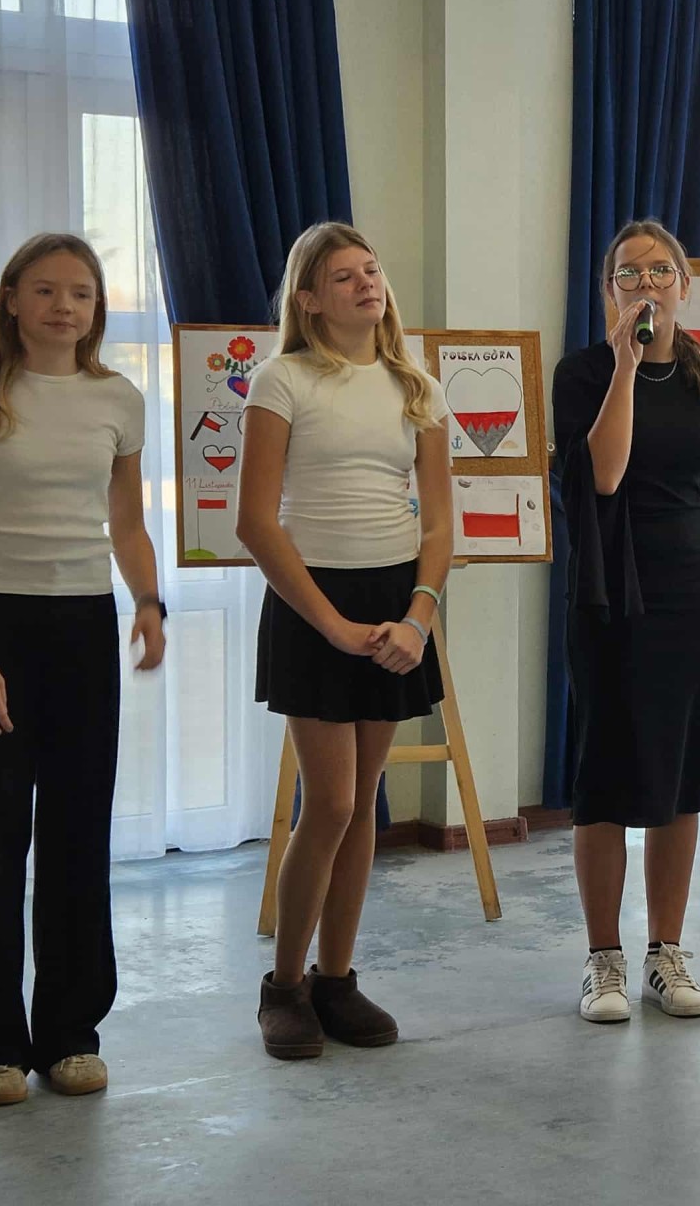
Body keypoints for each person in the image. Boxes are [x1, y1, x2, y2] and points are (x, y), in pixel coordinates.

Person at [0, 234, 166, 1107]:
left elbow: (126, 523)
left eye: (80, 292)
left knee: (78, 834)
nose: (64, 306)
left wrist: (148, 602)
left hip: (82, 624)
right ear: (11, 298)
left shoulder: (119, 398)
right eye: (45, 290)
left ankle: (71, 1033)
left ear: (96, 307)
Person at [238, 223, 452, 1058]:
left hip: (395, 604)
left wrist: (417, 616)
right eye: (343, 276)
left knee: (364, 803)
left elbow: (439, 523)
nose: (367, 283)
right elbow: (257, 523)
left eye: (372, 269)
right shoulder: (281, 379)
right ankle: (284, 986)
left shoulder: (416, 384)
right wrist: (330, 624)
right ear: (308, 299)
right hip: (311, 602)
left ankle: (336, 980)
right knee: (327, 803)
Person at [553, 221, 700, 1024]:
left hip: (688, 594)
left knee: (678, 780)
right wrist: (626, 368)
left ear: (684, 284)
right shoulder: (584, 374)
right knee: (602, 780)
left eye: (660, 271)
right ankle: (602, 960)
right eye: (629, 274)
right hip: (608, 595)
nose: (646, 285)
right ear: (610, 292)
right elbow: (603, 476)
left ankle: (665, 955)